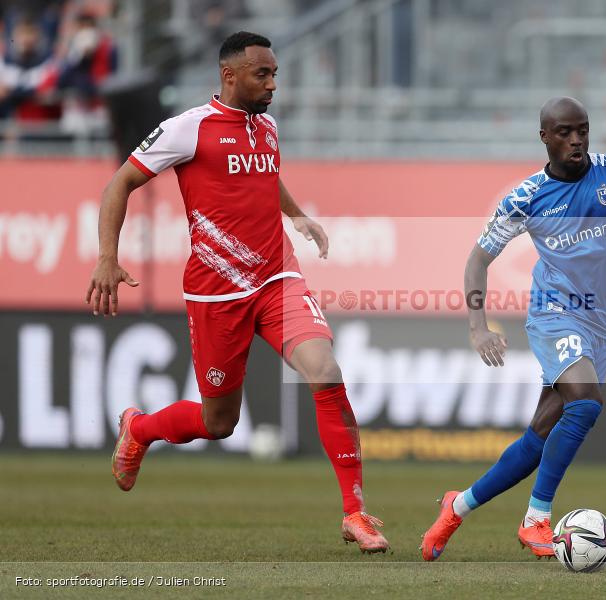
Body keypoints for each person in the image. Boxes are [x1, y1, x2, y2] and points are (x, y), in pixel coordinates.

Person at [85, 31, 389, 554]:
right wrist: (108, 257)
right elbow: (119, 185)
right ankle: (140, 429)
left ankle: (355, 513)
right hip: (216, 293)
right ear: (230, 76)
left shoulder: (266, 125)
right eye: (262, 75)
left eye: (275, 74)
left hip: (277, 279)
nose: (273, 84)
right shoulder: (188, 129)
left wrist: (295, 215)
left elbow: (266, 177)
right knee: (218, 421)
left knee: (326, 371)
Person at [421, 96, 606, 560]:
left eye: (582, 130)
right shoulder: (526, 198)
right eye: (565, 132)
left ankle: (456, 507)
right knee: (585, 404)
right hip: (554, 314)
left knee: (538, 438)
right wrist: (476, 325)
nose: (577, 140)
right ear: (544, 137)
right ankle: (536, 520)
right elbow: (477, 260)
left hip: (603, 323)